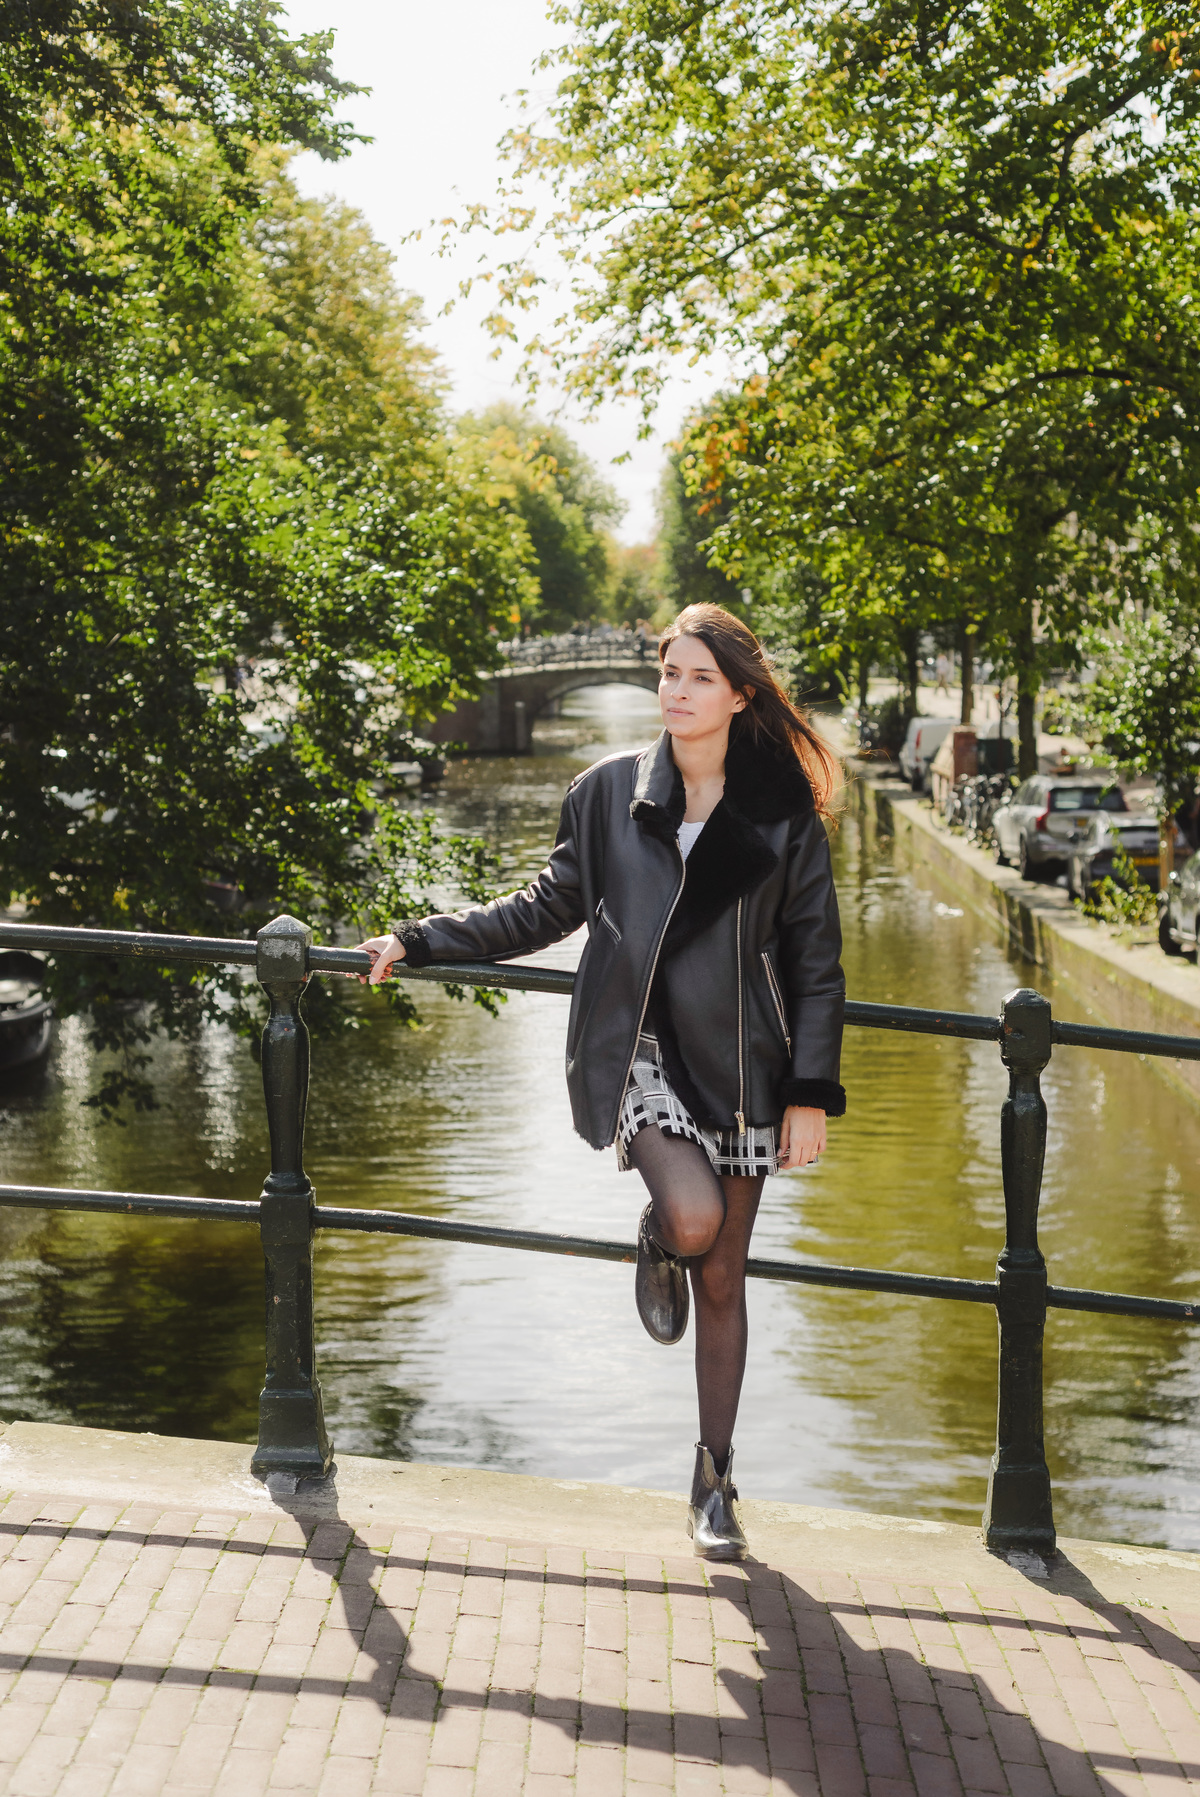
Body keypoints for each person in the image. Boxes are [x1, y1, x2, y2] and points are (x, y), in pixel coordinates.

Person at [355, 603, 846, 1560]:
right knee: (696, 1222)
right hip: (643, 1053)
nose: (676, 690)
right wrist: (417, 938)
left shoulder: (783, 816)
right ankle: (662, 1230)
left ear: (741, 695)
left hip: (749, 1063)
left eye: (700, 677)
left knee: (727, 1282)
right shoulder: (607, 794)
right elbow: (541, 909)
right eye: (668, 671)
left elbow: (817, 964)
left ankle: (714, 1480)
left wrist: (808, 1092)